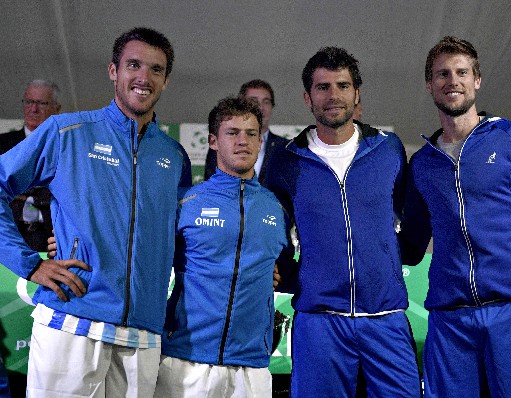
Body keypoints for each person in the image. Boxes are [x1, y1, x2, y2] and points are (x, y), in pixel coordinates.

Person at [0, 27, 191, 397]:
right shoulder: (67, 132)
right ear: (113, 71)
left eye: (156, 69)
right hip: (72, 321)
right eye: (134, 65)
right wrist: (30, 263)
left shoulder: (174, 156)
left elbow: (180, 238)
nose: (144, 78)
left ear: (167, 79)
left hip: (143, 335)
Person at [400, 36, 511, 397]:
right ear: (429, 85)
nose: (453, 81)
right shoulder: (422, 164)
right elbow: (410, 247)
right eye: (442, 74)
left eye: (462, 72)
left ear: (477, 80)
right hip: (448, 320)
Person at [267, 46, 421, 397]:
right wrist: (286, 271)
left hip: (386, 317)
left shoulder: (389, 149)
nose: (333, 95)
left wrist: (399, 255)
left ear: (357, 95)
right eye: (323, 87)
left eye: (342, 85)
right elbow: (272, 225)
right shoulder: (287, 160)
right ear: (308, 97)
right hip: (319, 320)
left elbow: (406, 210)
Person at [154, 96, 288, 397]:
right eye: (233, 132)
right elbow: (141, 253)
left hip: (252, 365)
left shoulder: (274, 208)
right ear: (213, 141)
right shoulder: (186, 202)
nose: (243, 141)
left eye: (251, 133)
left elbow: (281, 266)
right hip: (187, 359)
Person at [0, 80, 61, 251]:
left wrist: (20, 191)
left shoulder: (65, 148)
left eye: (41, 103)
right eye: (29, 102)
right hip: (6, 235)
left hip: (51, 240)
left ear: (57, 108)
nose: (33, 109)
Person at [204, 79, 289, 186]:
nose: (261, 107)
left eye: (266, 102)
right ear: (241, 104)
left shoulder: (286, 148)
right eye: (254, 101)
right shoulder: (221, 144)